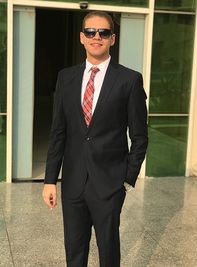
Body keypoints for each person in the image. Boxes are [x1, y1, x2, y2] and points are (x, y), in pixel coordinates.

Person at [42, 10, 148, 267]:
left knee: (108, 251)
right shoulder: (66, 78)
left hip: (110, 185)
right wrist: (49, 181)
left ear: (113, 38)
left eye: (103, 32)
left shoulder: (129, 80)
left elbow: (140, 136)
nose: (96, 37)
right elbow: (59, 132)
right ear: (81, 37)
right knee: (74, 250)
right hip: (73, 183)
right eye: (91, 32)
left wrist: (126, 180)